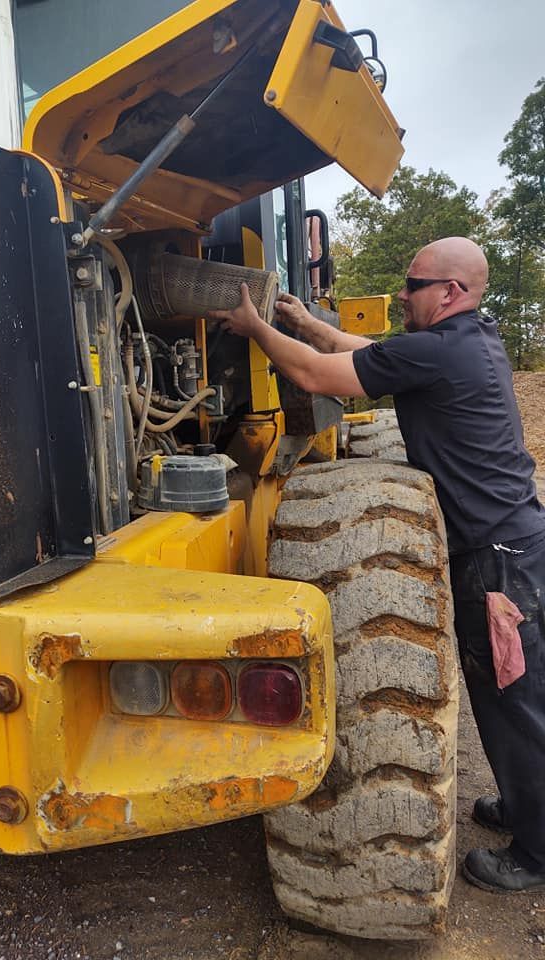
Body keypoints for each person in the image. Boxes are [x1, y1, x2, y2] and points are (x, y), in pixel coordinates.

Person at [211, 236, 545, 893]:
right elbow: (377, 357)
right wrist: (308, 324)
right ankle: (525, 804)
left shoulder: (445, 349)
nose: (400, 293)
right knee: (511, 695)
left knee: (515, 700)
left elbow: (311, 376)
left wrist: (255, 327)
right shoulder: (465, 341)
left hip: (497, 561)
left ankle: (536, 850)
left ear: (449, 292)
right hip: (511, 547)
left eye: (413, 284)